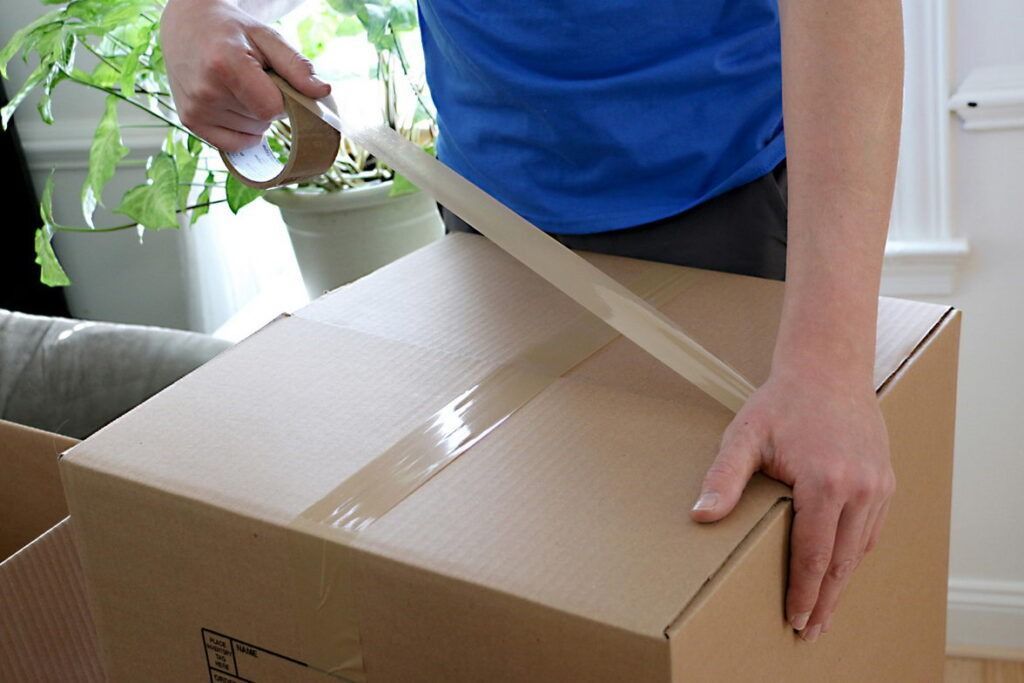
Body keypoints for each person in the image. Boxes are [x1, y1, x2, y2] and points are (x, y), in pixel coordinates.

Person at [161, 0, 903, 644]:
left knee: (707, 594)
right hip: (486, 221)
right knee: (541, 578)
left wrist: (831, 366)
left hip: (722, 210)